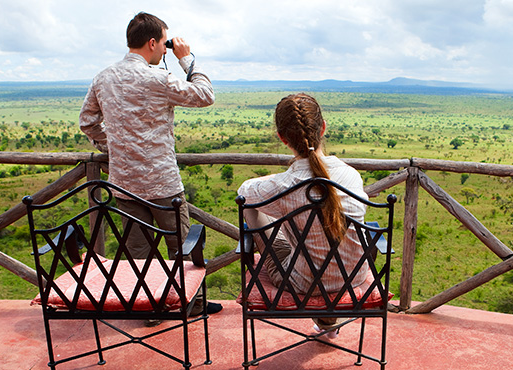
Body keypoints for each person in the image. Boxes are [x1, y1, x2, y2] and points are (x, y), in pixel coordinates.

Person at [79, 12, 221, 319]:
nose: (165, 50)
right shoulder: (157, 79)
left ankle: (149, 307)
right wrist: (187, 60)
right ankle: (192, 305)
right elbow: (205, 95)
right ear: (153, 42)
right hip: (163, 184)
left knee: (138, 255)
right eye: (164, 44)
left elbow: (87, 122)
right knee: (183, 250)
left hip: (124, 184)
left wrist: (114, 146)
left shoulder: (103, 77)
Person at [237, 93, 368, 336]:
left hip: (302, 284)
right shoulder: (351, 175)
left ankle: (326, 320)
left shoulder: (285, 185)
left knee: (253, 207)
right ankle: (328, 323)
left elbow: (243, 193)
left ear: (282, 138)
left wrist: (277, 179)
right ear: (323, 128)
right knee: (317, 236)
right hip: (354, 277)